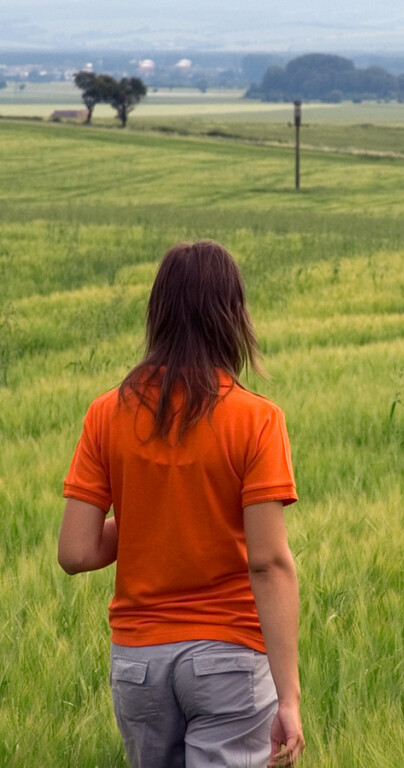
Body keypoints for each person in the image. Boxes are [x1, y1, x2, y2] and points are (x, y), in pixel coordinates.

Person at [58, 240, 304, 767]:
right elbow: (268, 561)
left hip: (138, 664)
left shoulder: (106, 414)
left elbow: (75, 551)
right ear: (232, 316)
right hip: (229, 658)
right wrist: (289, 697)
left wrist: (151, 512)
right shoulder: (256, 420)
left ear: (158, 313)